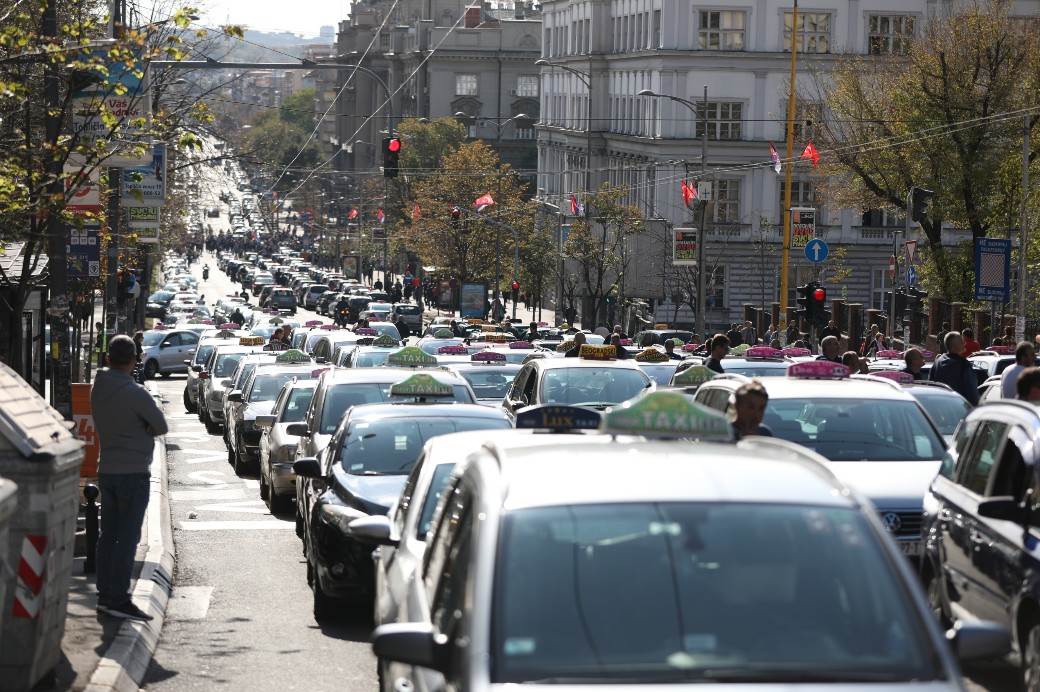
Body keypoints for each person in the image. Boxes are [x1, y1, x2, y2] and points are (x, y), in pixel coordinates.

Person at [91, 335, 168, 621]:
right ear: (134, 360)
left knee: (107, 534)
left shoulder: (98, 388)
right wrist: (142, 429)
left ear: (108, 358)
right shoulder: (136, 393)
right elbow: (160, 426)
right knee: (128, 538)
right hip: (133, 471)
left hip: (107, 468)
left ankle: (104, 593)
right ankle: (119, 598)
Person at [929, 331, 979, 405]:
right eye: (961, 342)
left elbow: (931, 386)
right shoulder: (964, 364)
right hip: (959, 408)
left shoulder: (937, 362)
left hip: (939, 406)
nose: (964, 344)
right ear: (953, 347)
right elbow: (972, 392)